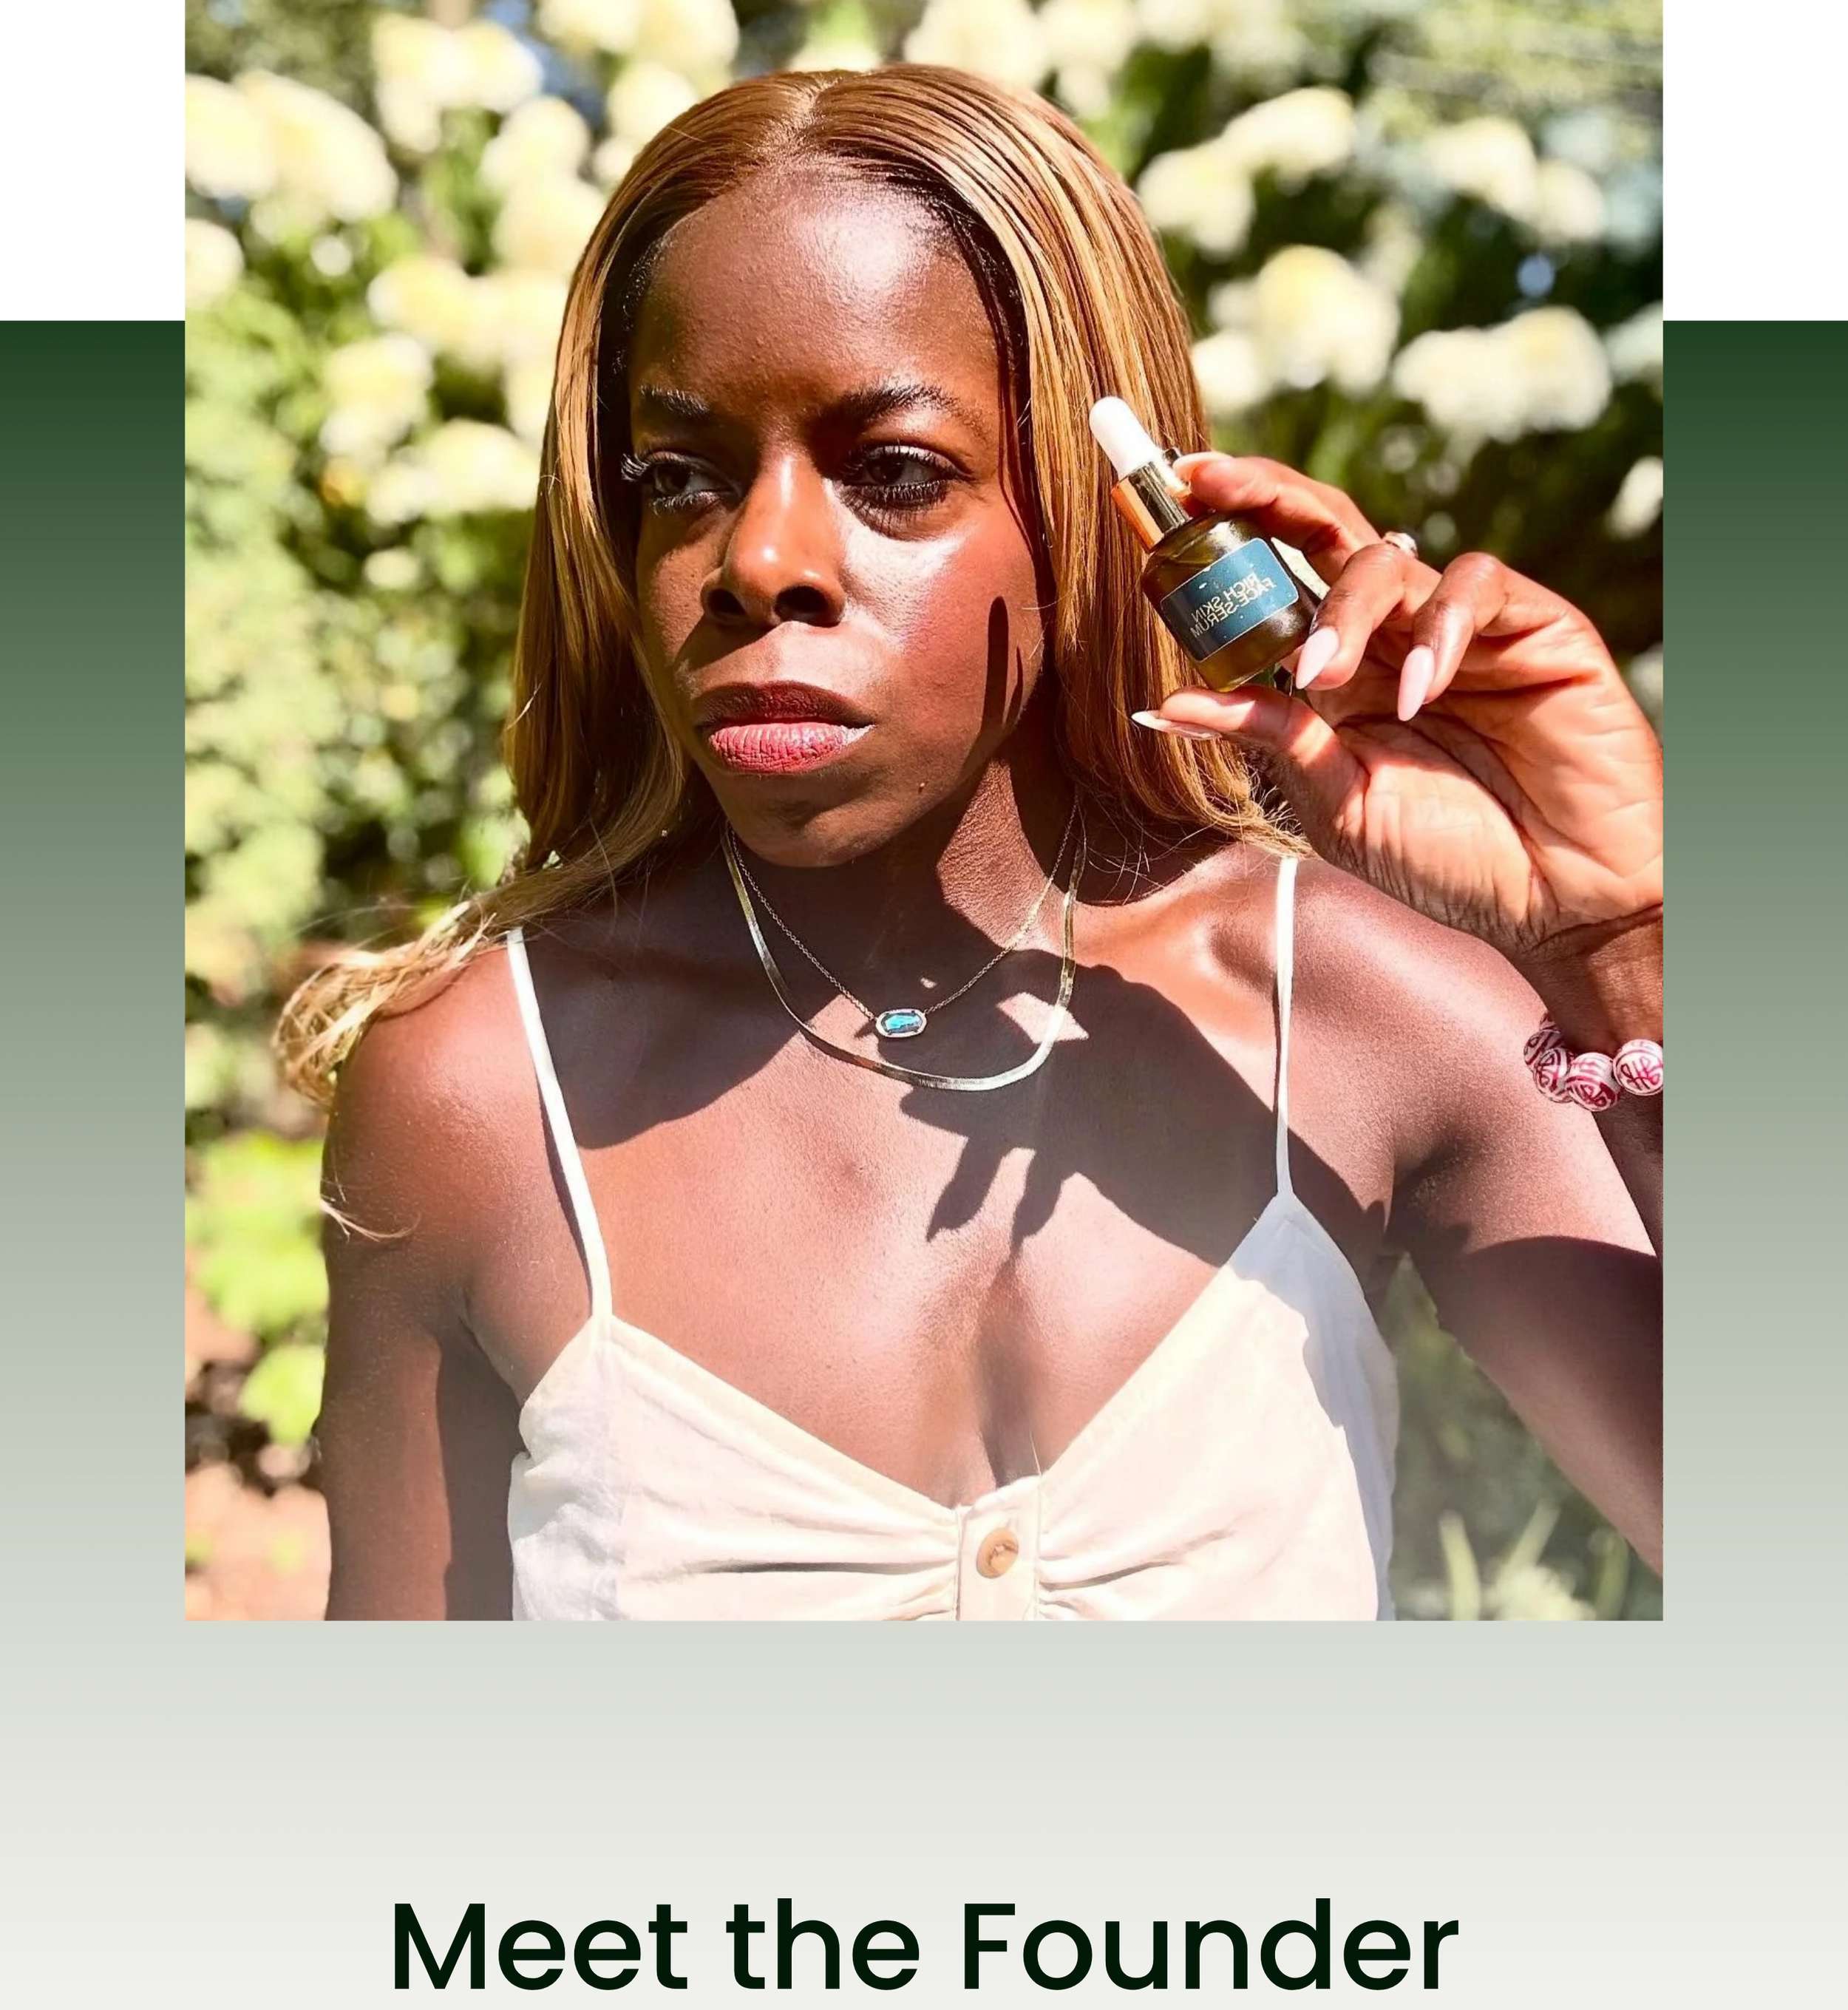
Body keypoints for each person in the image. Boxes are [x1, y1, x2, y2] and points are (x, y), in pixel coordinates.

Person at [283, 64, 1662, 1622]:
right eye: (679, 478)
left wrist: (1618, 940)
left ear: (1090, 513)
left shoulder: (1359, 1021)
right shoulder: (479, 1098)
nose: (760, 560)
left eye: (893, 472)